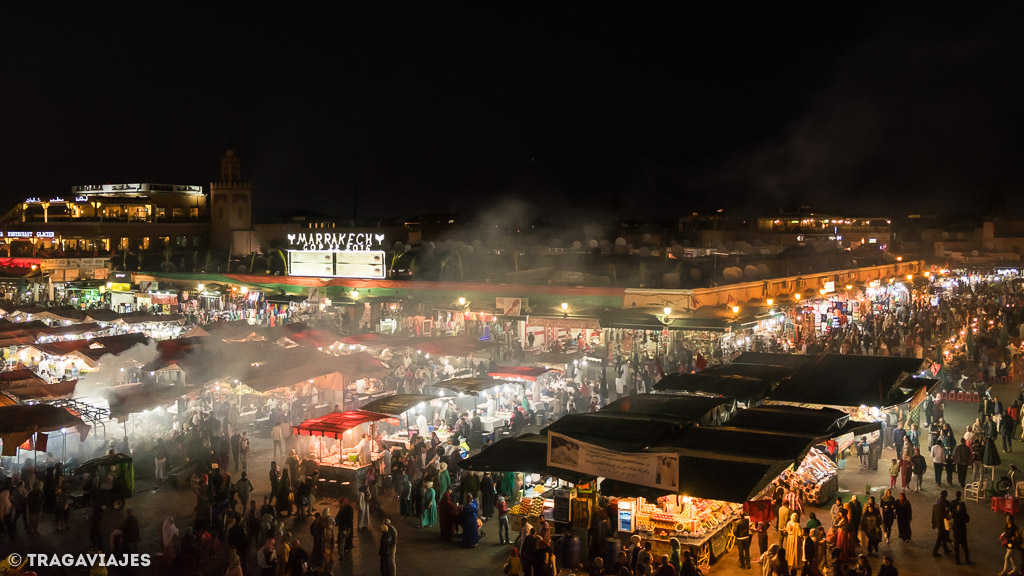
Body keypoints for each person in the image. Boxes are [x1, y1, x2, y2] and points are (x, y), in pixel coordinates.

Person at [931, 490, 951, 556]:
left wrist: (933, 523)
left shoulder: (935, 506)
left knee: (943, 537)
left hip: (938, 523)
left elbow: (933, 515)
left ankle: (946, 549)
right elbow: (946, 516)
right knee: (939, 539)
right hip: (942, 524)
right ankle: (935, 552)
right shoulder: (942, 507)